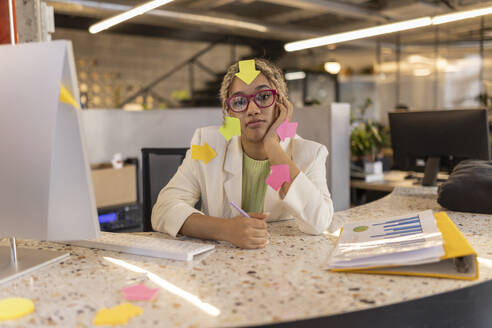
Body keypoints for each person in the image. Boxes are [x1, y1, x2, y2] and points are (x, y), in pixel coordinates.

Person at [152, 58, 334, 249]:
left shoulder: (310, 154)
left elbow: (319, 222)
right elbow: (163, 210)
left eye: (263, 97)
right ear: (229, 113)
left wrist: (272, 146)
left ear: (281, 103)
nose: (253, 110)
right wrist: (224, 229)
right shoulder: (207, 144)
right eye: (239, 101)